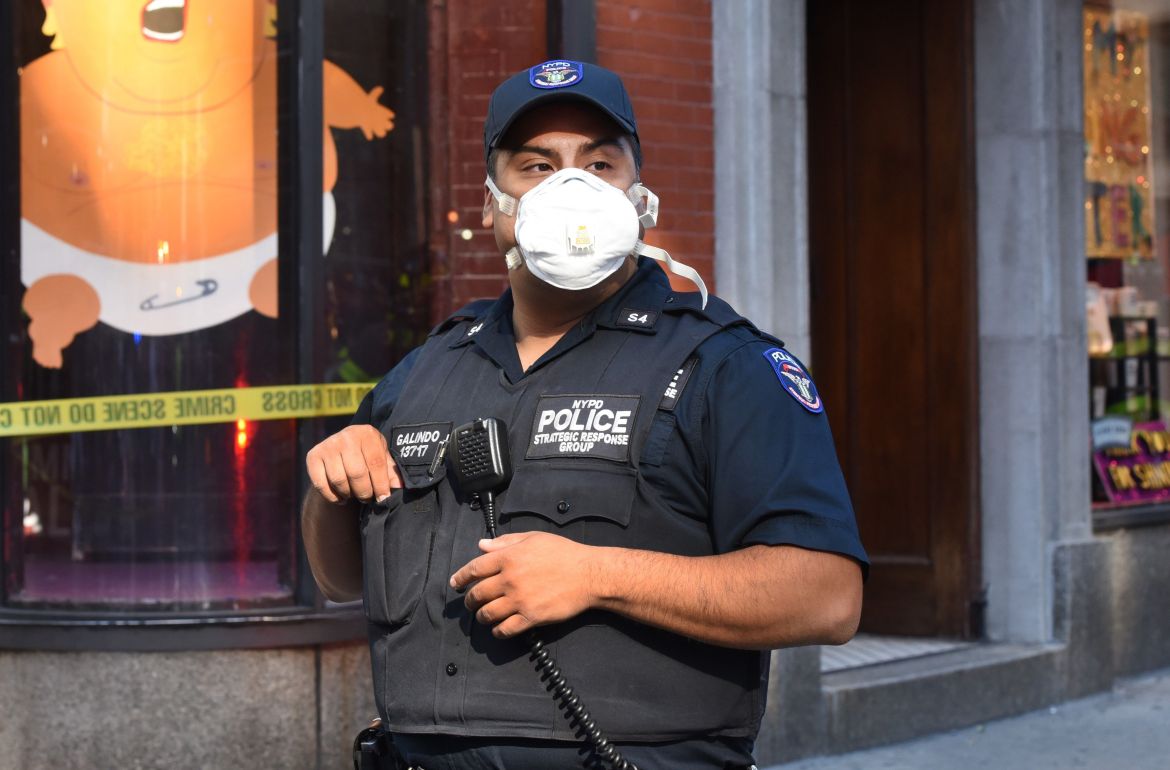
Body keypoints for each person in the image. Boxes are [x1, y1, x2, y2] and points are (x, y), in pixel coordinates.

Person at [303, 59, 868, 770]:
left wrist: (598, 575)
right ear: (490, 202)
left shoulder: (724, 367)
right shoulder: (424, 370)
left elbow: (827, 597)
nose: (570, 187)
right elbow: (340, 579)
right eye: (536, 165)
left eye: (599, 163)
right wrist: (330, 485)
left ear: (639, 197)